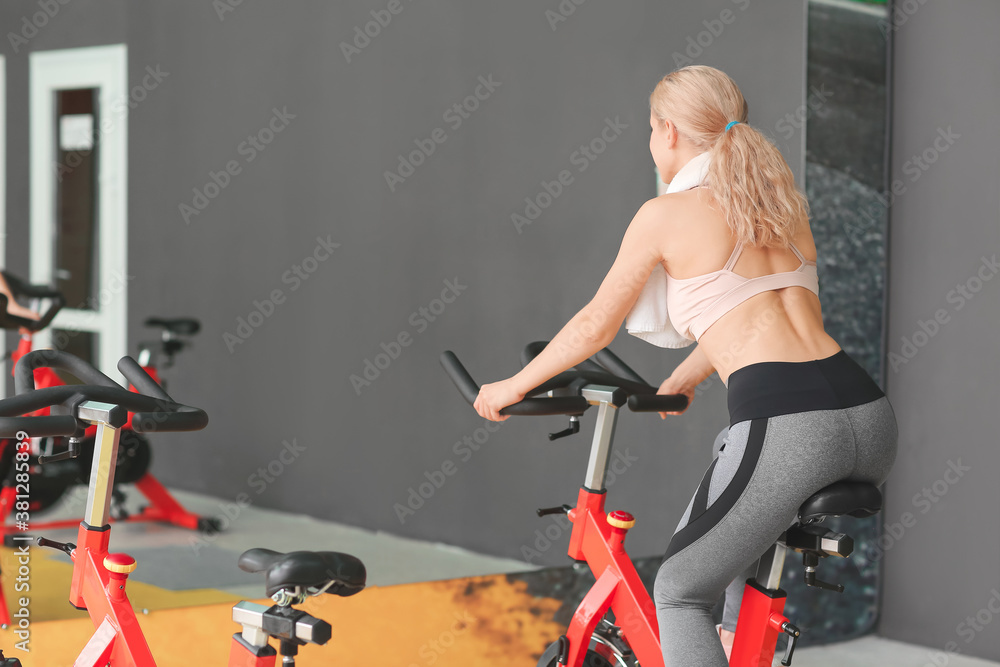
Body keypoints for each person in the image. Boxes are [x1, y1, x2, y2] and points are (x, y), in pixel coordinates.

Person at [472, 65, 898, 666]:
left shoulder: (665, 214)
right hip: (868, 419)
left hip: (792, 428)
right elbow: (763, 310)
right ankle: (728, 640)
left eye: (650, 131)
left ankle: (707, 634)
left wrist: (510, 387)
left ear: (668, 132)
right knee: (732, 459)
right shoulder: (778, 204)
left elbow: (597, 324)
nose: (650, 144)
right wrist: (688, 376)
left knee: (678, 593)